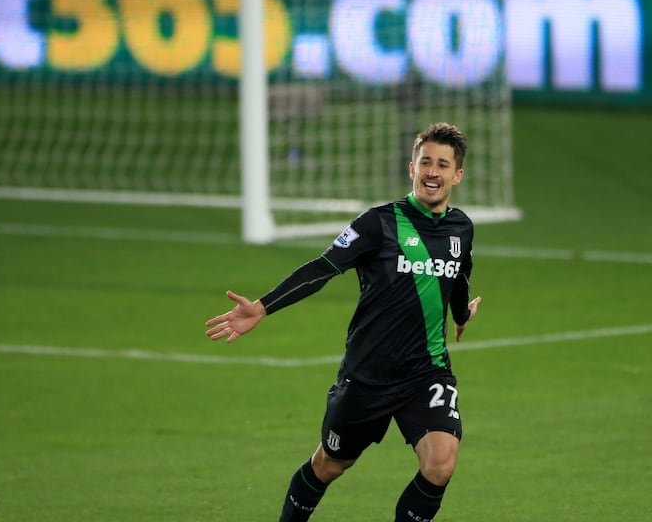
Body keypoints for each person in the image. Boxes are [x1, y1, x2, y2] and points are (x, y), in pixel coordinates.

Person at [205, 122, 482, 520]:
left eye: (442, 164)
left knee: (441, 464)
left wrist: (461, 314)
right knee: (330, 465)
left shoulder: (461, 228)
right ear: (412, 168)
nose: (432, 172)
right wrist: (263, 307)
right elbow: (323, 268)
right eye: (425, 162)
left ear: (458, 175)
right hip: (367, 375)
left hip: (426, 372)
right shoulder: (378, 223)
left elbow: (459, 273)